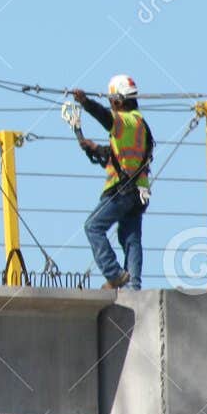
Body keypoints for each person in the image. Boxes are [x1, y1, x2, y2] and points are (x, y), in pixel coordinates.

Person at [71, 75, 154, 290]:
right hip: (139, 192)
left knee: (93, 226)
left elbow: (107, 118)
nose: (110, 104)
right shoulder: (140, 125)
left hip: (123, 190)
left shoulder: (126, 120)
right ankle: (133, 287)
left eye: (111, 100)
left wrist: (86, 102)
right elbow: (122, 156)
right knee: (130, 238)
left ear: (118, 100)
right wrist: (95, 148)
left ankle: (114, 273)